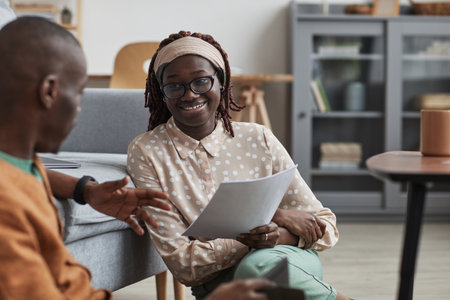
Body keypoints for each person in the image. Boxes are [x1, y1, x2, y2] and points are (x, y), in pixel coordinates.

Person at [127, 31, 349, 300]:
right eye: (174, 86)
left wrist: (275, 239)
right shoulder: (147, 151)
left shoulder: (259, 138)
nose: (189, 94)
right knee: (256, 271)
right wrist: (272, 220)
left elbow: (326, 228)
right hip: (217, 286)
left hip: (286, 259)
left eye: (201, 81)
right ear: (161, 93)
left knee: (259, 266)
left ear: (221, 82)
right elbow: (184, 265)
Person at [0, 16, 174, 299]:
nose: (80, 110)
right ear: (49, 91)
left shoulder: (23, 164)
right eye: (79, 94)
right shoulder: (7, 205)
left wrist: (87, 190)